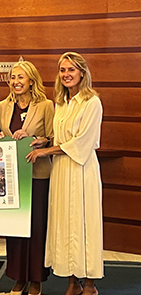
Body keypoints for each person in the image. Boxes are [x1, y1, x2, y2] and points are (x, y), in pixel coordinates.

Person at [27, 52, 103, 295]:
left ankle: (89, 284)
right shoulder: (60, 102)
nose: (66, 74)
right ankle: (73, 281)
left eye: (71, 69)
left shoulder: (92, 102)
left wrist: (47, 151)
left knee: (84, 224)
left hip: (81, 170)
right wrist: (43, 141)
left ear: (82, 72)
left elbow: (82, 142)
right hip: (61, 170)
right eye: (62, 70)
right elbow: (60, 137)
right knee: (65, 224)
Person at [0, 60, 54, 295]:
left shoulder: (46, 105)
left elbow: (53, 137)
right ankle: (18, 278)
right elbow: (0, 133)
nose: (16, 81)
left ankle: (36, 280)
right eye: (13, 77)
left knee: (37, 227)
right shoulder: (3, 106)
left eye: (21, 77)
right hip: (12, 177)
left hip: (38, 174)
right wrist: (0, 136)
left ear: (31, 80)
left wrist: (38, 139)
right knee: (15, 229)